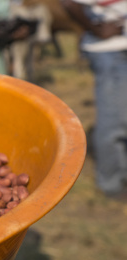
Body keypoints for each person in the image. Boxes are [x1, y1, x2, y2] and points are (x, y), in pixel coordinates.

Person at [62, 0, 127, 198]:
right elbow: (68, 3)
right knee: (114, 120)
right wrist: (96, 29)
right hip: (111, 50)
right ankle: (111, 183)